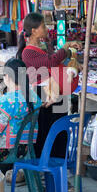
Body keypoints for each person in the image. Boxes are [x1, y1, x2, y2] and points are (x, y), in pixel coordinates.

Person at [18, 12, 81, 160]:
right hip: (44, 95)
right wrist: (65, 47)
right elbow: (51, 62)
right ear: (33, 31)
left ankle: (58, 166)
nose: (46, 28)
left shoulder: (44, 46)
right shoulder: (27, 53)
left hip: (56, 92)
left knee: (59, 132)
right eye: (43, 26)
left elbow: (55, 62)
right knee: (46, 132)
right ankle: (45, 166)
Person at [0, 58, 42, 164]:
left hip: (6, 151)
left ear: (7, 76)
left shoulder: (7, 101)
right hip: (25, 149)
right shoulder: (35, 97)